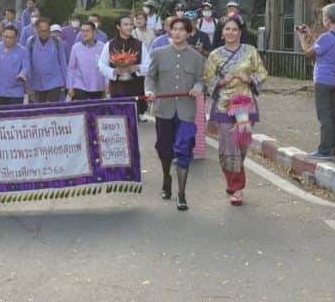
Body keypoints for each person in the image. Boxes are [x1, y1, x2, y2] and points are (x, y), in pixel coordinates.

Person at [203, 15, 267, 205]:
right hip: (224, 105)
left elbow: (262, 73)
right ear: (222, 32)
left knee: (241, 146)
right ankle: (237, 187)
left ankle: (233, 179)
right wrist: (221, 81)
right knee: (228, 146)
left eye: (234, 29)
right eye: (227, 29)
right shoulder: (215, 55)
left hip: (246, 104)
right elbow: (208, 78)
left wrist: (250, 79)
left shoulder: (251, 51)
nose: (231, 32)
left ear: (240, 32)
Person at [145, 17, 206, 211]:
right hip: (164, 110)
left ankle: (181, 194)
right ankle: (166, 179)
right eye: (175, 29)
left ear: (189, 33)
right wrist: (149, 91)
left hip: (186, 111)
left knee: (183, 149)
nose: (178, 32)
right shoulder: (158, 53)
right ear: (170, 31)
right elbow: (150, 77)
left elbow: (201, 80)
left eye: (182, 29)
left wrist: (198, 87)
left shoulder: (197, 57)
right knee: (164, 150)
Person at [297, 3, 335, 159]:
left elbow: (309, 53)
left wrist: (302, 38)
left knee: (324, 116)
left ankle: (325, 150)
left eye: (324, 16)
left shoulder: (326, 37)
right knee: (334, 116)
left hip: (323, 81)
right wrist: (311, 35)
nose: (323, 19)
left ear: (328, 19)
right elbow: (324, 47)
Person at [98, 15, 151, 120]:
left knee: (133, 121)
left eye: (131, 24)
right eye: (126, 24)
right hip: (117, 88)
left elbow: (148, 65)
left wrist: (137, 67)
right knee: (118, 120)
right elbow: (101, 64)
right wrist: (114, 71)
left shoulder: (140, 44)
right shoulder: (110, 44)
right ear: (118, 26)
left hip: (135, 88)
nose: (129, 27)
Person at [26, 17, 68, 102]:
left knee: (52, 107)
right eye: (42, 30)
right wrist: (27, 82)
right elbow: (27, 63)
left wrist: (65, 81)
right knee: (40, 108)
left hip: (55, 81)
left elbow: (63, 62)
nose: (44, 33)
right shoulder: (31, 42)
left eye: (47, 30)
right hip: (37, 82)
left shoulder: (57, 41)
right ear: (36, 29)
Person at [0, 25, 29, 105]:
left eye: (11, 37)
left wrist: (22, 74)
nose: (8, 40)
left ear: (16, 38)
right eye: (5, 37)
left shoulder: (22, 51)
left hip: (15, 93)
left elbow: (26, 66)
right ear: (2, 35)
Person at [66, 22, 107, 100]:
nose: (85, 33)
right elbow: (71, 68)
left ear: (94, 32)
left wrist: (107, 83)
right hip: (79, 85)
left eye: (87, 31)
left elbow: (105, 67)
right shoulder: (76, 48)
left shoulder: (102, 47)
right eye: (83, 31)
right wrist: (70, 86)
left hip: (97, 85)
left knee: (96, 107)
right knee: (82, 107)